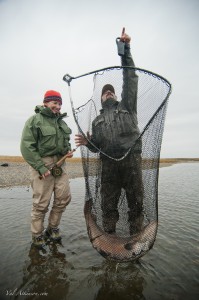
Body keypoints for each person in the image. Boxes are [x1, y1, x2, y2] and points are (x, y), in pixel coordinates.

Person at [75, 28, 144, 235]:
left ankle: (136, 238)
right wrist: (88, 143)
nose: (108, 93)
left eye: (110, 91)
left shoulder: (128, 106)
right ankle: (110, 241)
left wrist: (125, 50)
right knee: (108, 206)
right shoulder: (97, 121)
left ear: (115, 95)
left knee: (137, 204)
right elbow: (96, 148)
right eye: (105, 92)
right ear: (101, 99)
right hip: (109, 169)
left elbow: (130, 79)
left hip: (131, 163)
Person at [20, 90, 73, 247]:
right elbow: (26, 147)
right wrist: (41, 167)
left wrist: (67, 151)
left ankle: (52, 228)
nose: (58, 106)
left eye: (59, 103)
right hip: (41, 165)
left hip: (60, 165)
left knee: (63, 198)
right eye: (54, 103)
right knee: (41, 203)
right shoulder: (34, 120)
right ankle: (37, 234)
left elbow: (65, 142)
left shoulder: (62, 123)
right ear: (45, 103)